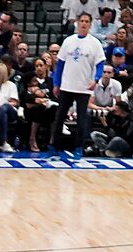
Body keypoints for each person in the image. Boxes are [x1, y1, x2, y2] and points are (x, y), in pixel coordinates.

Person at [52, 8, 104, 148]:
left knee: (82, 119)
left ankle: (78, 148)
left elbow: (100, 64)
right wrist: (56, 83)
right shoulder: (68, 41)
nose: (84, 24)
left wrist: (96, 79)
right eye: (82, 21)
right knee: (59, 118)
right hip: (67, 86)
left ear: (90, 24)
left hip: (84, 88)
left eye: (87, 21)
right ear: (77, 23)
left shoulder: (95, 43)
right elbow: (60, 64)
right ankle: (54, 145)